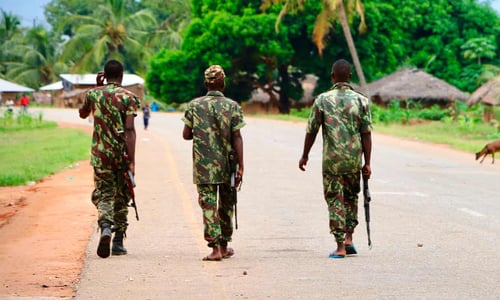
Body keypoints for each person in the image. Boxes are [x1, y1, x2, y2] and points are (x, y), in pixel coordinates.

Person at [298, 59, 372, 258]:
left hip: (332, 162)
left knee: (335, 200)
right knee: (350, 198)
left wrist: (305, 155)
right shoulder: (361, 100)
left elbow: (311, 131)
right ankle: (349, 239)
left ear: (332, 76)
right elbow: (366, 133)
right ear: (349, 77)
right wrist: (368, 163)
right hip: (353, 161)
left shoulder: (322, 100)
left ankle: (340, 247)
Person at [78, 60, 141, 258]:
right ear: (121, 76)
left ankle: (105, 226)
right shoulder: (128, 97)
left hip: (100, 156)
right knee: (122, 195)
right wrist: (131, 160)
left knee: (104, 194)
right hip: (121, 155)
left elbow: (82, 114)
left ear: (104, 75)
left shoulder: (93, 94)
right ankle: (118, 241)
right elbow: (130, 129)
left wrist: (96, 87)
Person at [182, 65, 245, 261]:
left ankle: (215, 248)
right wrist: (241, 165)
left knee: (208, 204)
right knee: (226, 204)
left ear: (205, 83)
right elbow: (237, 137)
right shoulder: (232, 106)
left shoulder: (194, 105)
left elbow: (185, 135)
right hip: (228, 164)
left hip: (203, 165)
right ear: (223, 83)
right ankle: (225, 245)